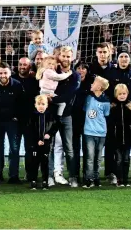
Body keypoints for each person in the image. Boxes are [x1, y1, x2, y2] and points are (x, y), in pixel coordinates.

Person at [49, 46, 81, 187]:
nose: (66, 59)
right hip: (50, 115)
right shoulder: (51, 71)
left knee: (69, 147)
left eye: (68, 56)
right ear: (58, 56)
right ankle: (49, 176)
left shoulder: (75, 76)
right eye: (63, 56)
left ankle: (73, 177)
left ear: (72, 58)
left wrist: (54, 99)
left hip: (66, 115)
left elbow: (69, 94)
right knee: (49, 147)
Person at [82, 76, 110, 189]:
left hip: (101, 133)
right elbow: (85, 110)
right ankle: (89, 179)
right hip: (89, 132)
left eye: (93, 83)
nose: (91, 84)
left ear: (99, 87)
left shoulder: (106, 101)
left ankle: (96, 177)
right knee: (89, 157)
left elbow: (106, 115)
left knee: (98, 157)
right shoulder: (88, 98)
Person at [110, 84, 131, 187]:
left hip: (128, 138)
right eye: (120, 94)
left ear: (127, 94)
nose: (122, 96)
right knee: (118, 160)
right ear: (116, 94)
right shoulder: (112, 106)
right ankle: (119, 180)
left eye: (124, 94)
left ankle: (126, 180)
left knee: (126, 159)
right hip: (116, 138)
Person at [26, 94, 57, 191]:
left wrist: (49, 134)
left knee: (45, 162)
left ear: (47, 105)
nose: (41, 106)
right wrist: (37, 140)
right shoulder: (32, 116)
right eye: (39, 104)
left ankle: (45, 181)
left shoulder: (50, 116)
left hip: (46, 144)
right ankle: (33, 180)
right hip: (35, 144)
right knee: (34, 162)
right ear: (35, 105)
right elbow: (30, 130)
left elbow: (55, 127)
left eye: (43, 104)